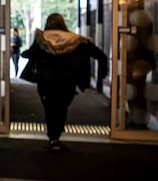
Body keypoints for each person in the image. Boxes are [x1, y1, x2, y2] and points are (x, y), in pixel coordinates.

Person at [21, 13, 107, 152]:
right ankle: (57, 136)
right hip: (67, 81)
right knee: (61, 108)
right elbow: (100, 55)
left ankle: (53, 138)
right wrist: (101, 76)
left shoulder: (42, 39)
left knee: (49, 109)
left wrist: (24, 54)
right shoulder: (76, 40)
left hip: (46, 81)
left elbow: (31, 53)